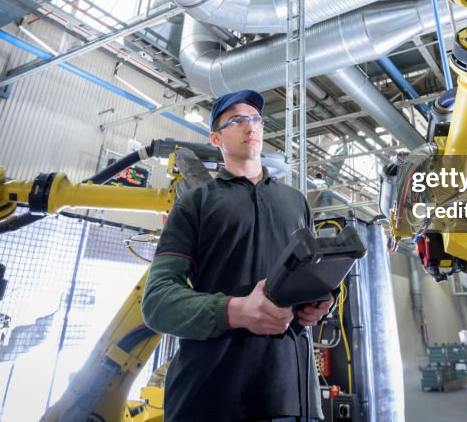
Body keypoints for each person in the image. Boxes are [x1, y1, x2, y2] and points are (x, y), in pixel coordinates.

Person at [141, 89, 333, 422]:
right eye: (237, 120)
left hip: (292, 396)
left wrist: (319, 302)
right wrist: (236, 311)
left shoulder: (296, 202)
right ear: (216, 138)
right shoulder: (196, 203)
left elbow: (308, 275)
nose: (251, 126)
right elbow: (157, 302)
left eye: (256, 119)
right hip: (212, 398)